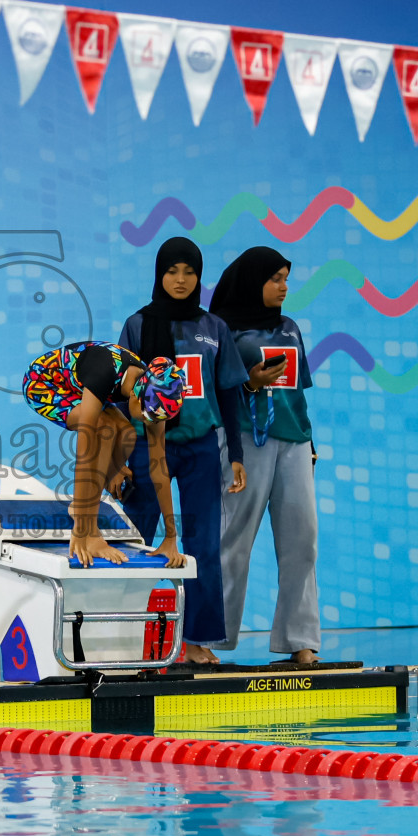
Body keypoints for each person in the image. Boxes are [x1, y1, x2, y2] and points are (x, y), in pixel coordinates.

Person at [117, 237, 250, 664]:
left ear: (199, 277)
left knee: (203, 545)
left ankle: (195, 641)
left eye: (189, 272)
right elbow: (119, 398)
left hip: (200, 447)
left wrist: (236, 456)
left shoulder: (214, 328)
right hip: (145, 445)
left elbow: (229, 394)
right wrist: (117, 461)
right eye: (172, 271)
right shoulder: (137, 325)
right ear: (159, 275)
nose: (180, 279)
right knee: (134, 541)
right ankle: (124, 636)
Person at [209, 246, 321, 666]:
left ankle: (301, 638)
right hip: (244, 443)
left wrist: (310, 444)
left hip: (294, 443)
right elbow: (217, 393)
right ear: (252, 281)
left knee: (302, 541)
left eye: (286, 278)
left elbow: (298, 394)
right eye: (275, 278)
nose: (284, 287)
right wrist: (251, 385)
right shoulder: (222, 330)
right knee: (232, 541)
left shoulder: (290, 328)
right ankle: (210, 640)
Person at [22, 341, 185, 568]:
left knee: (127, 433)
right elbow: (85, 454)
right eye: (149, 417)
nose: (151, 424)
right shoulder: (104, 372)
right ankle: (87, 525)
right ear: (138, 397)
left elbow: (159, 467)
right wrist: (81, 529)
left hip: (80, 386)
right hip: (43, 383)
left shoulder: (152, 394)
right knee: (104, 427)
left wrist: (170, 537)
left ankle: (107, 481)